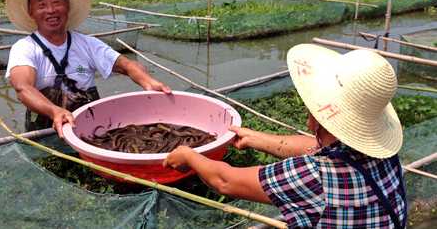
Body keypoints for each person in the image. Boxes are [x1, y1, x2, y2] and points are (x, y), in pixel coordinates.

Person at [164, 44, 407, 228]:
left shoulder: (312, 177)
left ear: (320, 118)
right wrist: (257, 138)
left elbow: (225, 181)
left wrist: (190, 156)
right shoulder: (384, 156)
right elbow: (315, 147)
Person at [5, 0, 171, 138]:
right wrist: (54, 111)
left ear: (67, 6)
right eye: (41, 5)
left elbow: (126, 65)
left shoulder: (87, 44)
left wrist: (148, 81)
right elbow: (23, 88)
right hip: (47, 134)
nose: (51, 10)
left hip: (89, 129)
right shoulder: (24, 48)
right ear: (31, 12)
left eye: (56, 2)